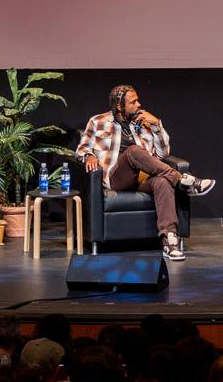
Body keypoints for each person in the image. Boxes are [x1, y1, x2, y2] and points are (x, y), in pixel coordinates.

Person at [77, 84, 215, 261]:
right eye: (133, 102)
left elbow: (163, 153)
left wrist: (156, 124)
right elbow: (82, 149)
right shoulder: (98, 121)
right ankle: (184, 181)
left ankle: (169, 241)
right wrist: (88, 155)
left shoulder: (142, 123)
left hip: (143, 179)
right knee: (134, 151)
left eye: (137, 101)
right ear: (119, 106)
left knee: (162, 182)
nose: (139, 105)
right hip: (117, 178)